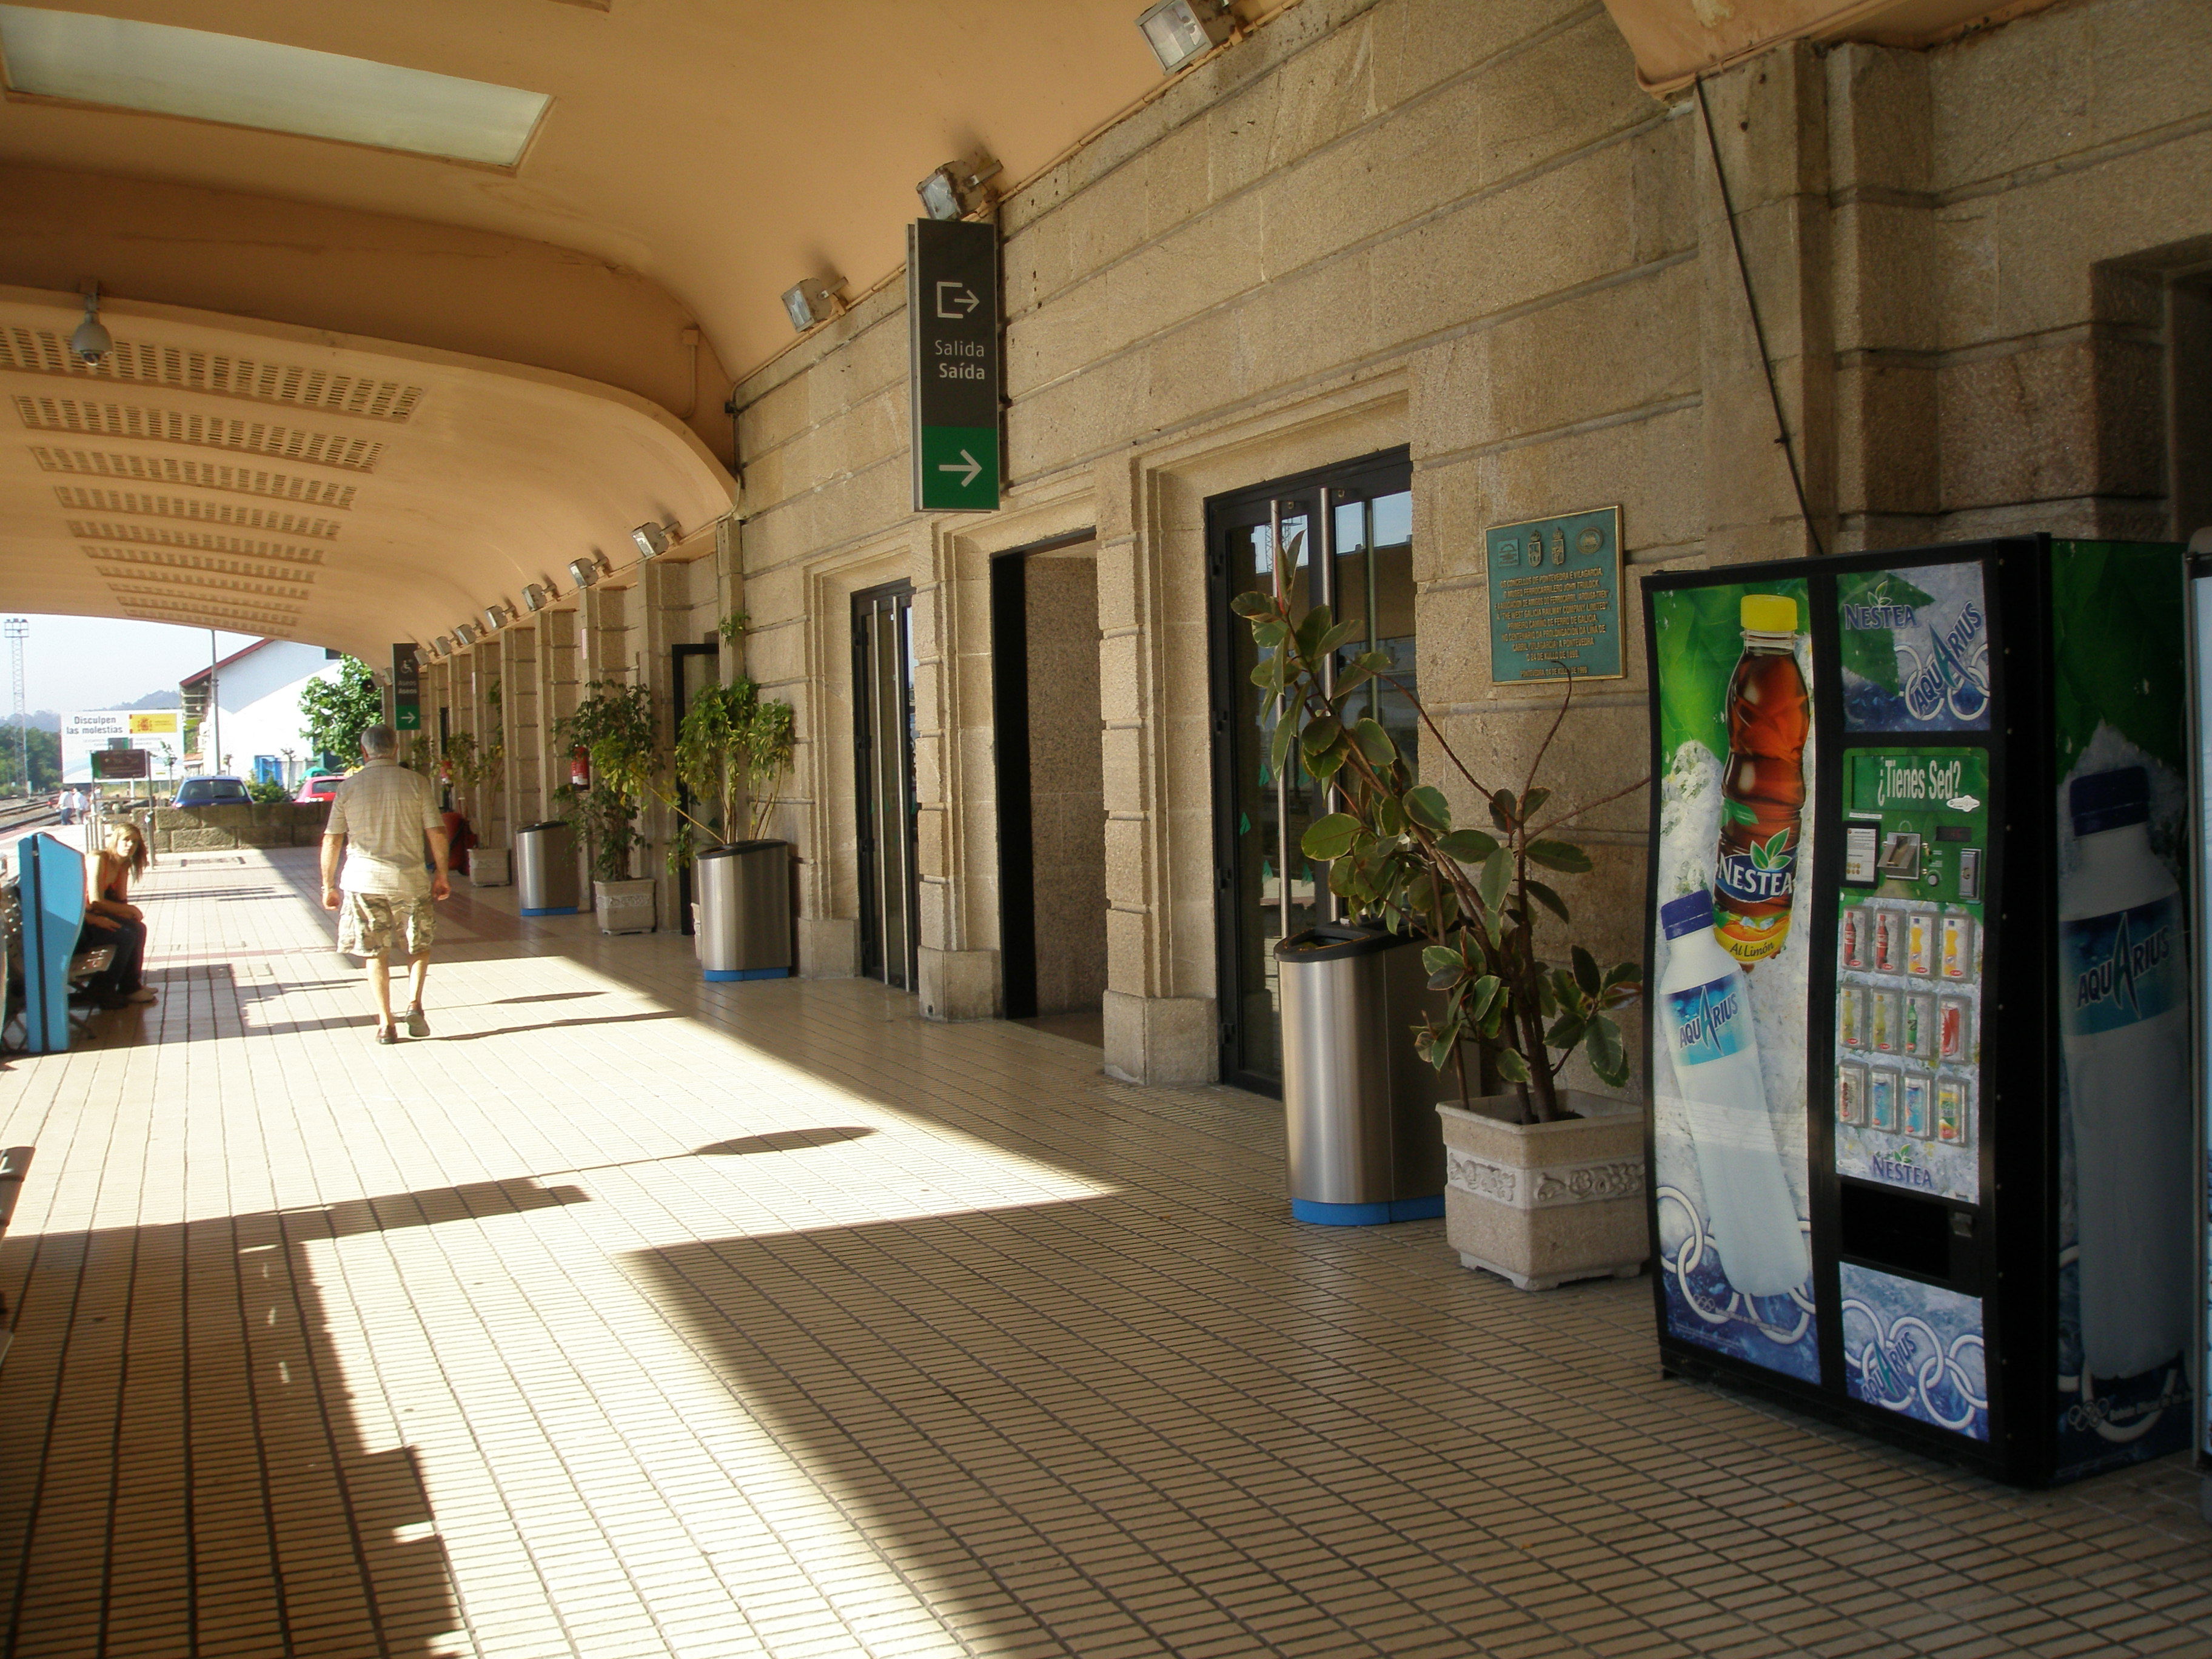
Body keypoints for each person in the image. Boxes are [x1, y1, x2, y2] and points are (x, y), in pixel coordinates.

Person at [321, 724, 450, 1045]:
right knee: (418, 945)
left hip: (364, 881)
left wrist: (328, 886)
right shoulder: (417, 783)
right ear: (395, 750)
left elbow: (332, 839)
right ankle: (415, 1003)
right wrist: (442, 875)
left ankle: (385, 1023)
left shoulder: (348, 788)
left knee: (374, 952)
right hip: (412, 881)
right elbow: (437, 832)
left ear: (364, 752)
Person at [75, 820, 155, 1008]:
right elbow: (96, 901)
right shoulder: (99, 859)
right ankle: (102, 990)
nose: (130, 846)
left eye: (135, 842)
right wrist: (130, 911)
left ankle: (131, 985)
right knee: (125, 935)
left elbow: (120, 901)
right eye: (126, 840)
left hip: (93, 917)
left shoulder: (122, 865)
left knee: (138, 928)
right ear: (115, 841)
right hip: (79, 923)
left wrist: (129, 913)